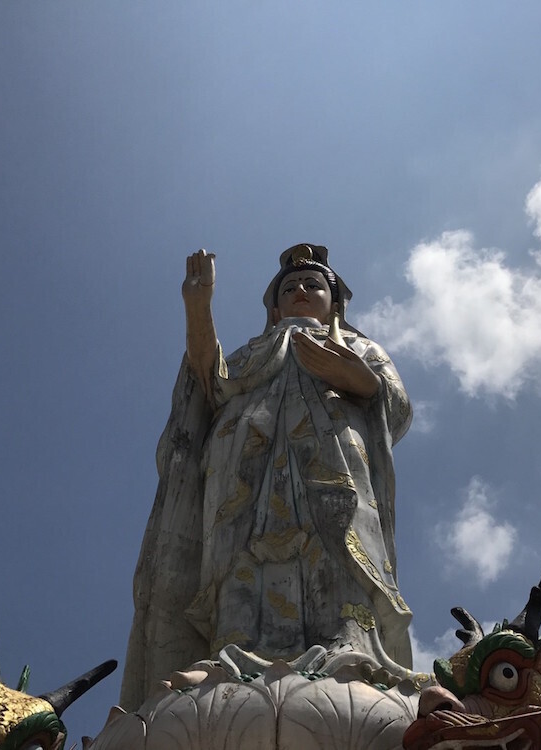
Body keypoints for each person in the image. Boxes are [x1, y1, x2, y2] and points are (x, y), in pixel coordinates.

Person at [120, 244, 413, 710]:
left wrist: (355, 376)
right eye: (290, 287)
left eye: (313, 285)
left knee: (339, 546)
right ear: (273, 307)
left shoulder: (357, 346)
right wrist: (199, 310)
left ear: (334, 302)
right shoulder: (252, 352)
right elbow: (210, 384)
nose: (301, 290)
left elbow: (394, 407)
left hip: (330, 459)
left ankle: (348, 650)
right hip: (244, 470)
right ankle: (232, 654)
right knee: (241, 556)